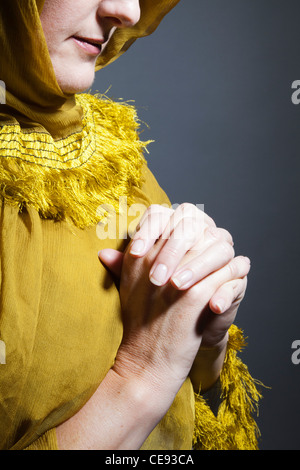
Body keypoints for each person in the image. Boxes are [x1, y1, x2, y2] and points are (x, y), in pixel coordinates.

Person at [0, 0, 262, 450]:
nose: (127, 11)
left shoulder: (108, 148)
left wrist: (205, 330)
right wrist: (143, 374)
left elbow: (190, 400)